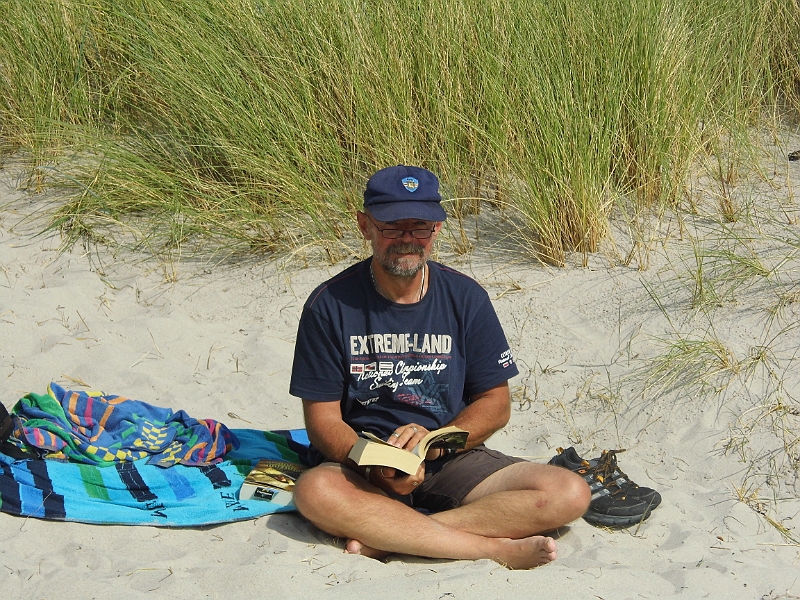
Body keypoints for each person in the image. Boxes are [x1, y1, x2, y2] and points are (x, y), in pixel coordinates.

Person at [289, 165, 590, 569]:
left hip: (449, 455)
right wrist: (376, 464)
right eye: (392, 227)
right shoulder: (329, 305)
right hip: (363, 461)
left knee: (569, 492)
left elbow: (496, 403)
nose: (407, 239)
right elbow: (322, 420)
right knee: (314, 490)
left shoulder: (466, 297)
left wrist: (436, 442)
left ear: (437, 229)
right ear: (365, 226)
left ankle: (394, 536)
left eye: (420, 227)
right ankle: (489, 548)